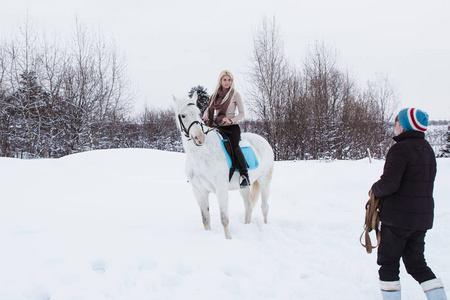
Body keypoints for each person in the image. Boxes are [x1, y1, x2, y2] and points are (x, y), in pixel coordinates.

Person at [371, 108, 447, 300]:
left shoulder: (400, 149)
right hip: (421, 220)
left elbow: (389, 184)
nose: (395, 126)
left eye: (397, 122)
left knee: (388, 264)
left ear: (403, 126)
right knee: (417, 264)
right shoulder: (428, 150)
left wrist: (374, 190)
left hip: (398, 220)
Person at [202, 70, 250, 188]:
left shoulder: (235, 95)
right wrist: (205, 115)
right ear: (220, 81)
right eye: (225, 80)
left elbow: (242, 113)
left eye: (229, 80)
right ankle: (201, 173)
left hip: (232, 127)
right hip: (218, 127)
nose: (227, 82)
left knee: (234, 146)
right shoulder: (214, 96)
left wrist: (231, 120)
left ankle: (245, 175)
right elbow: (209, 109)